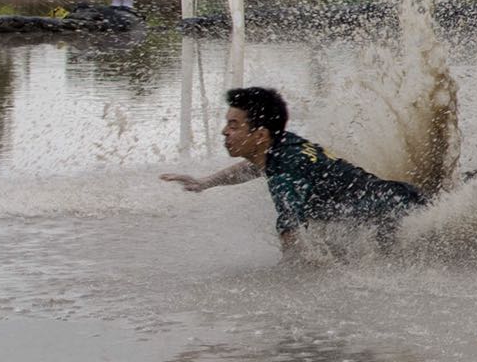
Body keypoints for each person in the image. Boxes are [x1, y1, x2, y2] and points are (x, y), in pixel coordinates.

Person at [160, 86, 426, 255]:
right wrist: (205, 182)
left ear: (260, 135)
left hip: (396, 217)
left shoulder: (284, 174)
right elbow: (252, 168)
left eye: (234, 125)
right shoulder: (283, 143)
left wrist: (288, 284)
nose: (224, 131)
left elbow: (291, 235)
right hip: (400, 198)